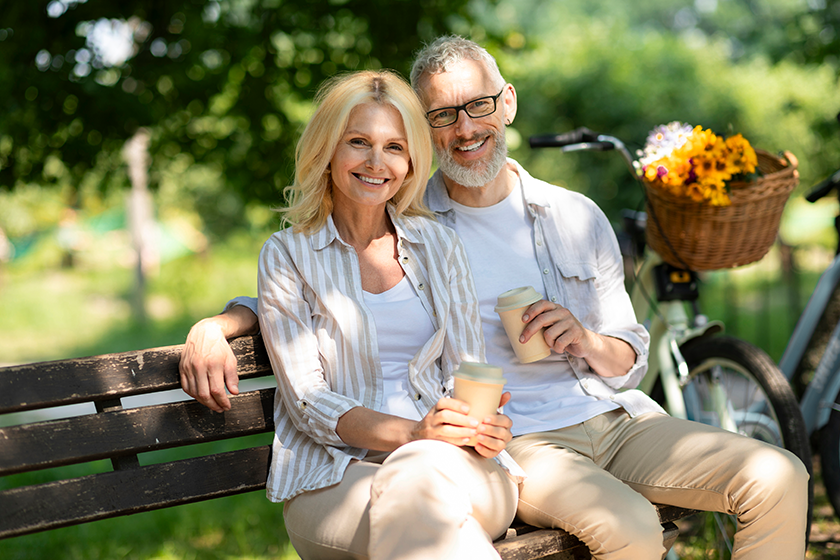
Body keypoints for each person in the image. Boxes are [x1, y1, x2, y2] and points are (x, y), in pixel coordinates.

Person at [181, 38, 809, 559]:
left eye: (477, 106)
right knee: (620, 526)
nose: (465, 129)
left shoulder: (555, 218)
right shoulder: (419, 219)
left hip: (601, 420)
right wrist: (226, 320)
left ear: (506, 103)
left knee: (779, 476)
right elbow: (319, 286)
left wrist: (586, 340)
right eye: (441, 116)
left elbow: (629, 356)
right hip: (515, 444)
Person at [214, 69, 522, 560]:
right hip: (334, 475)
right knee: (417, 509)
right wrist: (413, 434)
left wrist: (480, 425)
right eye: (359, 141)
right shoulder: (288, 255)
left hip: (454, 463)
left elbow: (467, 371)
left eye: (395, 147)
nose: (377, 162)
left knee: (414, 486)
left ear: (412, 159)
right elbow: (310, 402)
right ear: (328, 149)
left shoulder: (438, 244)